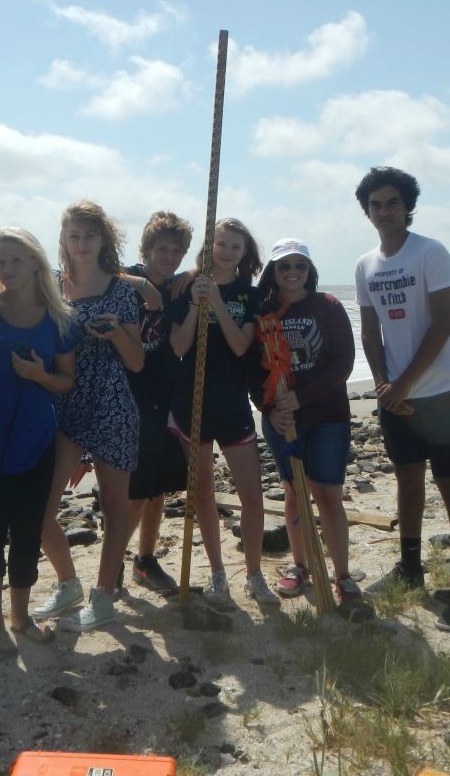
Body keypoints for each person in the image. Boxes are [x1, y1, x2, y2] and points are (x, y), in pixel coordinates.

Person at [354, 166, 450, 631]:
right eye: (375, 204)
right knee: (407, 482)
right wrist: (383, 385)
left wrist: (405, 384)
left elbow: (441, 325)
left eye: (392, 203)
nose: (384, 211)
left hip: (440, 391)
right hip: (397, 396)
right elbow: (370, 332)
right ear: (367, 212)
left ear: (407, 207)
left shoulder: (431, 253)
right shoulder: (366, 264)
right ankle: (410, 566)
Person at [32, 201, 145, 632]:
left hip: (112, 401)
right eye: (74, 235)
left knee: (115, 506)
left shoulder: (120, 290)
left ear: (104, 240)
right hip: (63, 404)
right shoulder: (51, 288)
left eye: (90, 235)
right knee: (41, 510)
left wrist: (115, 331)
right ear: (62, 240)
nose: (81, 244)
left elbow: (136, 363)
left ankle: (103, 596)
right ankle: (68, 585)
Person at [0, 228, 76, 655]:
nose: (7, 269)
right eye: (0, 262)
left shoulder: (60, 321)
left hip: (34, 443)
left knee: (28, 534)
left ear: (35, 263)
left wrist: (39, 377)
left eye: (16, 260)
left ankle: (21, 618)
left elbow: (66, 382)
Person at [251, 239, 370, 619]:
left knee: (329, 495)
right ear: (273, 271)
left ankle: (342, 574)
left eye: (299, 266)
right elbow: (254, 369)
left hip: (327, 417)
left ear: (309, 270)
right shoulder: (264, 312)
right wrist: (268, 410)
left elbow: (343, 362)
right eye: (284, 266)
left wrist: (302, 398)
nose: (292, 273)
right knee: (293, 492)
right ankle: (299, 566)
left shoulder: (328, 307)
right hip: (283, 419)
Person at [167, 218, 278, 606]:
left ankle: (254, 573)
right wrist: (198, 302)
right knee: (202, 492)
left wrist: (216, 300)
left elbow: (239, 346)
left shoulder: (249, 296)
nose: (228, 251)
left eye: (236, 246)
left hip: (232, 403)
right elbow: (179, 347)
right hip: (191, 402)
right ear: (210, 246)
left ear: (245, 253)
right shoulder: (186, 288)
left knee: (252, 493)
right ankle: (217, 573)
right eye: (222, 244)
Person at [122, 212, 193, 593]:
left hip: (164, 396)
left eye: (177, 251)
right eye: (162, 249)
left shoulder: (179, 291)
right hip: (127, 395)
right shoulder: (126, 278)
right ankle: (112, 563)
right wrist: (137, 281)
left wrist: (194, 280)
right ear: (146, 249)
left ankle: (145, 560)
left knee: (159, 488)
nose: (169, 256)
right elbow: (85, 274)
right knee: (134, 491)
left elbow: (180, 343)